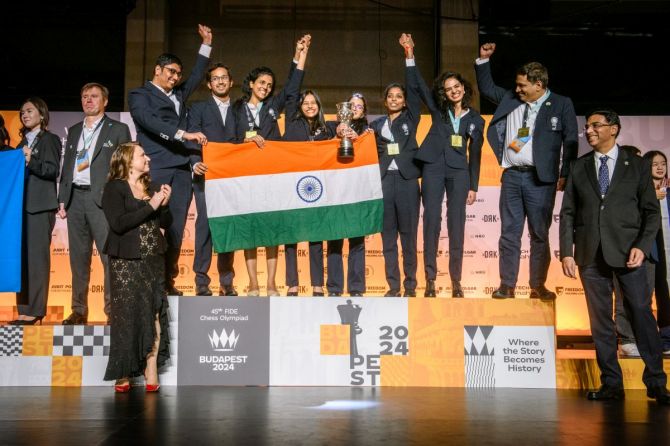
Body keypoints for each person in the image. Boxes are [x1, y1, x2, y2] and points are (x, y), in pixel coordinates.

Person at [559, 109, 669, 404]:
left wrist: (642, 246)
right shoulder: (579, 166)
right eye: (588, 126)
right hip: (589, 254)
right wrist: (566, 253)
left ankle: (657, 382)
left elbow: (650, 212)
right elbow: (568, 212)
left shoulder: (636, 166)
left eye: (596, 125)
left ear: (614, 129)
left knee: (642, 315)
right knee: (600, 322)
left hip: (630, 253)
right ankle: (611, 382)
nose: (590, 131)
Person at [475, 42, 578, 300]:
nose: (517, 88)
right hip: (511, 176)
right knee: (509, 233)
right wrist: (483, 60)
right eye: (517, 84)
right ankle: (506, 285)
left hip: (540, 179)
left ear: (539, 85)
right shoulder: (511, 98)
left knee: (539, 235)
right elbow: (486, 88)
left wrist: (565, 172)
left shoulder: (561, 104)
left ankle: (537, 285)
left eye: (522, 85)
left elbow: (571, 140)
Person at [128, 24, 212, 296]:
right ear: (157, 70)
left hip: (181, 169)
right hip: (156, 166)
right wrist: (182, 133)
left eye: (178, 73)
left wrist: (206, 44)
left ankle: (167, 281)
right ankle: (146, 281)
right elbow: (148, 121)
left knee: (176, 229)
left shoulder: (178, 94)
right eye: (171, 72)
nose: (176, 77)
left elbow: (198, 75)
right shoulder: (139, 95)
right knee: (150, 224)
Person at [402, 33, 484, 298]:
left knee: (456, 223)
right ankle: (430, 280)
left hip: (459, 172)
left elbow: (477, 153)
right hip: (434, 167)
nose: (453, 91)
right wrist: (409, 54)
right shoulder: (439, 110)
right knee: (432, 221)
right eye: (448, 88)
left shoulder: (475, 119)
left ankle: (457, 282)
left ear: (463, 87)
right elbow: (418, 86)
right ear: (444, 93)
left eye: (456, 86)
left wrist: (473, 185)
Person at [231, 35, 310, 296]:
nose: (265, 87)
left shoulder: (274, 106)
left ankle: (273, 283)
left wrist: (299, 54)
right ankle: (253, 284)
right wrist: (245, 138)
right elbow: (229, 139)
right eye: (261, 82)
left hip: (273, 175)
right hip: (246, 176)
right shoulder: (236, 109)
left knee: (273, 230)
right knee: (252, 231)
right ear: (251, 83)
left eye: (269, 84)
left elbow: (292, 86)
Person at [58, 83, 131, 324]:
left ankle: (113, 310)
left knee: (109, 257)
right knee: (78, 258)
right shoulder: (76, 130)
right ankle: (79, 310)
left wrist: (120, 200)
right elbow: (68, 166)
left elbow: (125, 167)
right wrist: (62, 198)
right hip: (75, 199)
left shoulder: (118, 129)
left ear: (105, 101)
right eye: (85, 96)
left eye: (94, 96)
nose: (89, 100)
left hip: (103, 199)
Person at [102, 142, 171, 393]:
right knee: (126, 313)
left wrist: (163, 205)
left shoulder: (150, 188)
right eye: (142, 155)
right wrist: (151, 206)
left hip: (153, 258)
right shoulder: (115, 187)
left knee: (153, 312)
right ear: (128, 160)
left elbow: (165, 221)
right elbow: (119, 224)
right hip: (126, 260)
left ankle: (150, 368)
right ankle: (123, 372)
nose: (148, 159)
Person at [187, 64, 239, 296]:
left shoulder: (240, 110)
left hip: (233, 179)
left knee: (229, 228)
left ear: (231, 82)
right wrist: (193, 163)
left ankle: (226, 281)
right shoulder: (198, 108)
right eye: (215, 79)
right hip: (206, 176)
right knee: (205, 228)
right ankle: (201, 280)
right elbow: (191, 139)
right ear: (209, 84)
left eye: (224, 78)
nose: (220, 82)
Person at [9, 98, 61, 325]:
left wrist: (32, 160)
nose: (24, 115)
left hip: (40, 207)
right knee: (21, 261)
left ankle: (36, 310)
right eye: (22, 112)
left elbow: (52, 170)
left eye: (29, 111)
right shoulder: (20, 142)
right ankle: (23, 309)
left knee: (37, 261)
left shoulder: (50, 139)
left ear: (41, 114)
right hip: (19, 208)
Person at [369, 80, 421, 297]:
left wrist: (409, 57)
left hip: (407, 180)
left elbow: (417, 95)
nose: (394, 99)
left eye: (399, 96)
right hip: (384, 181)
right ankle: (393, 287)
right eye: (390, 96)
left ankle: (410, 286)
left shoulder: (410, 118)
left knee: (408, 237)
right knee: (388, 238)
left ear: (405, 101)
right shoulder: (375, 124)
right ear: (385, 100)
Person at [283, 88, 333, 296]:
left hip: (319, 188)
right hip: (293, 186)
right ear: (299, 107)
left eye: (314, 102)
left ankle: (317, 285)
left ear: (319, 106)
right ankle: (292, 284)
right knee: (291, 236)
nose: (310, 106)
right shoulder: (292, 126)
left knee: (316, 237)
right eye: (306, 103)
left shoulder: (328, 128)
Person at [326, 93, 370, 297]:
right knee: (334, 239)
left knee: (357, 241)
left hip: (358, 192)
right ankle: (334, 287)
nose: (354, 109)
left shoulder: (370, 134)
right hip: (335, 191)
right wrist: (337, 135)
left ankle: (356, 288)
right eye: (351, 105)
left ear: (364, 112)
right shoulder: (330, 128)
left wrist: (359, 140)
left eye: (359, 106)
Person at [642, 150, 670, 355]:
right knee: (658, 292)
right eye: (655, 164)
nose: (660, 167)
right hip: (651, 252)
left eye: (663, 163)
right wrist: (652, 195)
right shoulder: (639, 192)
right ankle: (662, 338)